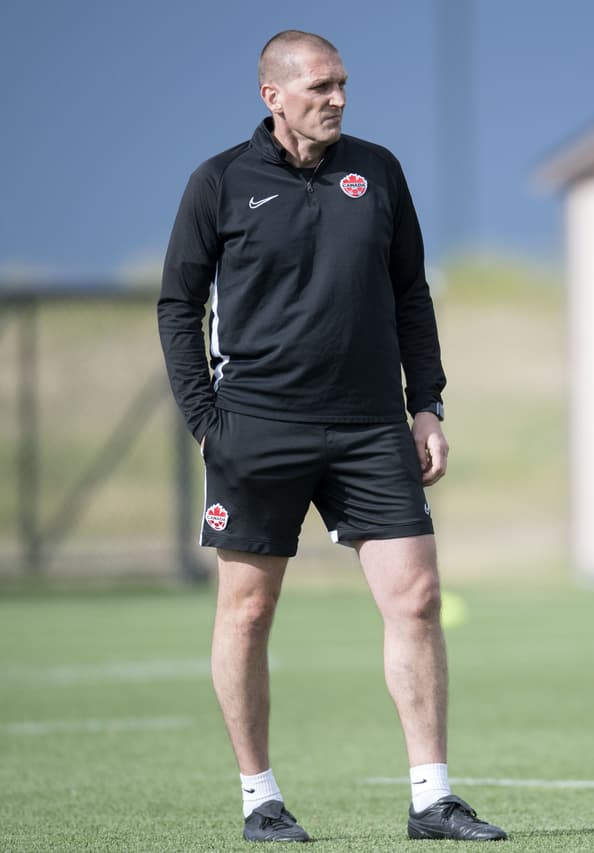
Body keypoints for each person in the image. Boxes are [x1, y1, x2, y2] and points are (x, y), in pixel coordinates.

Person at [157, 30, 506, 844]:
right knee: (247, 613)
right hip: (258, 428)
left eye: (343, 83)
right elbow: (177, 307)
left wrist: (428, 405)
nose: (337, 98)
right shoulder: (219, 182)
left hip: (370, 427)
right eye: (319, 86)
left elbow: (410, 294)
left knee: (416, 599)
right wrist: (207, 423)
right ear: (272, 95)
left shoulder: (377, 171)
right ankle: (260, 799)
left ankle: (433, 798)